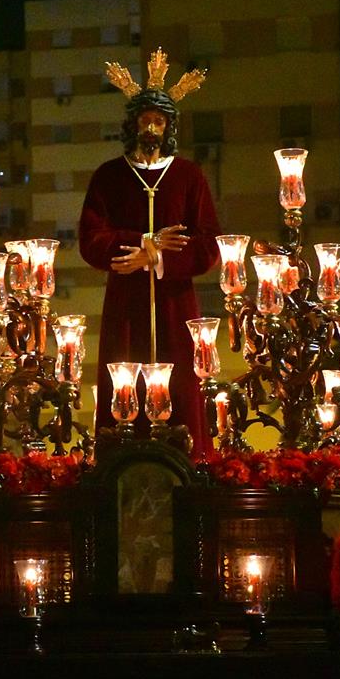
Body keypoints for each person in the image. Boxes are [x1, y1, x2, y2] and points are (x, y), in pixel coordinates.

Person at [79, 48, 221, 461]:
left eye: (160, 121)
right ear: (132, 124)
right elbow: (91, 238)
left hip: (176, 304)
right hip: (126, 306)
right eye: (146, 120)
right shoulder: (109, 176)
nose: (153, 128)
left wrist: (159, 259)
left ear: (170, 127)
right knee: (124, 387)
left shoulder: (188, 176)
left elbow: (209, 242)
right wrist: (146, 242)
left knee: (182, 395)